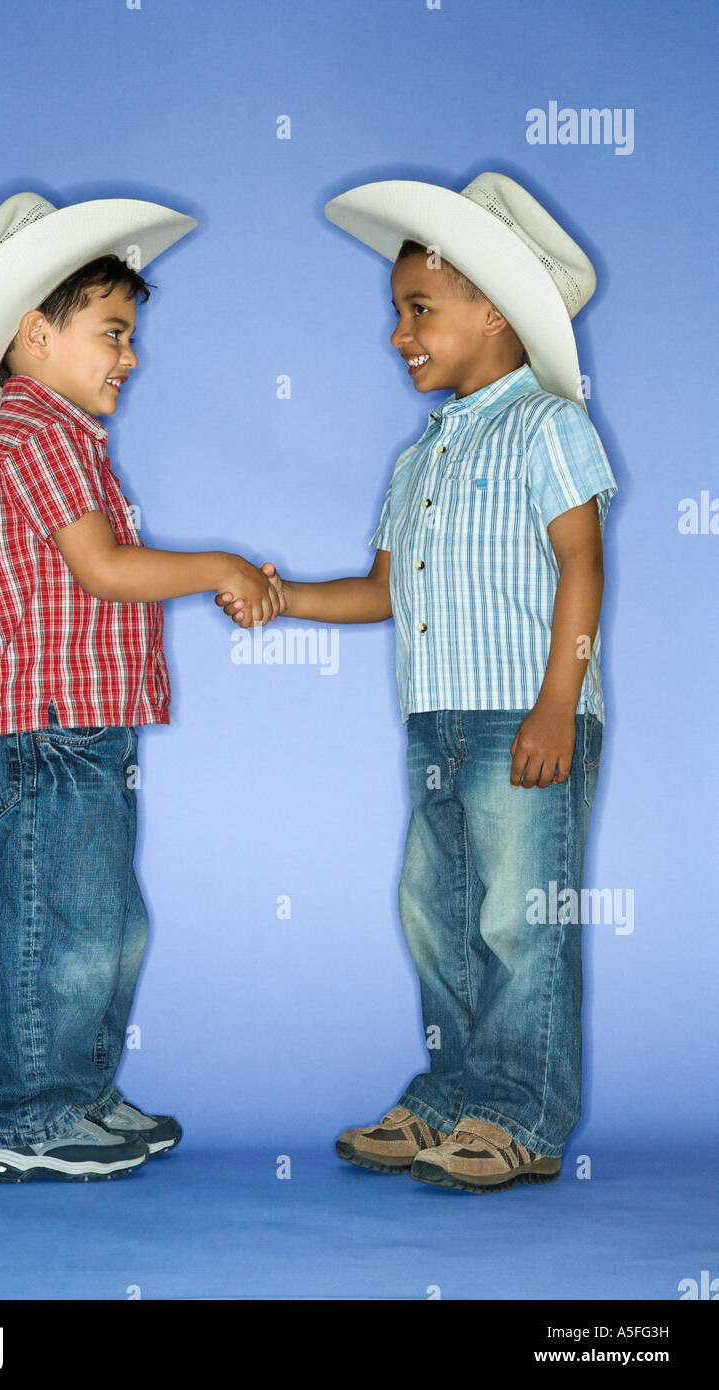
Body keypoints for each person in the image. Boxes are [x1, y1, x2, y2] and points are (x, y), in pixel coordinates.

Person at [217, 171, 617, 1193]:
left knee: (519, 917)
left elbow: (582, 561)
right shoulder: (419, 459)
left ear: (496, 309)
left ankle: (521, 1113)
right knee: (439, 913)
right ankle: (456, 1092)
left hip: (525, 716)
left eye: (418, 310)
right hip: (435, 722)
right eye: (397, 313)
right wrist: (285, 597)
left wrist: (557, 701)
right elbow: (383, 591)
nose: (399, 333)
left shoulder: (549, 424)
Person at [0, 190, 280, 1182]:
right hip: (52, 733)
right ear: (34, 335)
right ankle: (26, 1112)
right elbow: (106, 572)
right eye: (112, 332)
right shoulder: (39, 434)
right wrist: (219, 565)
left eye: (132, 334)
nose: (130, 354)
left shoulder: (64, 437)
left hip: (84, 728)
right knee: (59, 921)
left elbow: (101, 579)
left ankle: (76, 1093)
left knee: (104, 922)